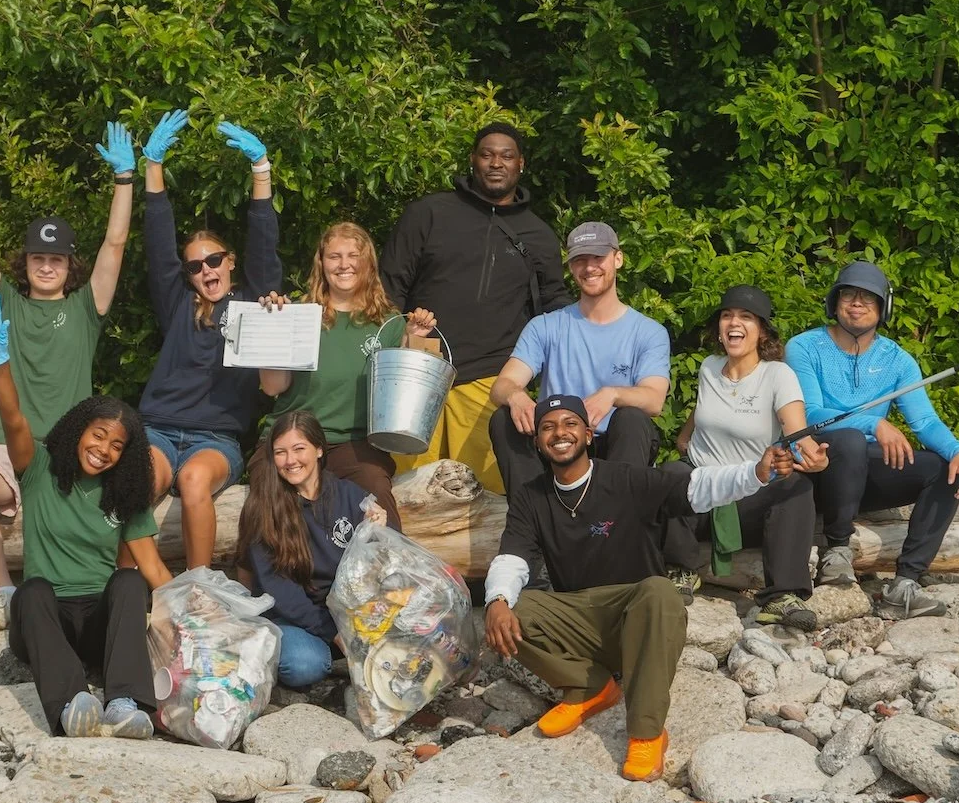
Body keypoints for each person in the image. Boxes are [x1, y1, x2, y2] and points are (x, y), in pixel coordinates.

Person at [482, 395, 791, 782]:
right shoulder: (532, 494)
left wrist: (755, 473)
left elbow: (698, 487)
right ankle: (590, 687)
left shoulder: (625, 478)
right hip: (581, 619)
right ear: (538, 441)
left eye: (569, 424)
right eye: (548, 427)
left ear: (589, 435)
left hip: (641, 619)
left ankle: (647, 733)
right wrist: (495, 600)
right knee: (512, 610)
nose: (559, 433)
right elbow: (513, 557)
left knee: (661, 591)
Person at [0, 114, 135, 630]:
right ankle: (7, 594)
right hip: (9, 449)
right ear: (24, 261)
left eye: (55, 258)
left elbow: (114, 246)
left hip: (72, 452)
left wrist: (125, 181)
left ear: (68, 264)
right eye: (37, 257)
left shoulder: (84, 307)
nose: (45, 266)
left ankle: (102, 600)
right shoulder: (2, 302)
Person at [0, 294, 172, 738]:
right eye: (98, 435)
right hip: (45, 621)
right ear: (78, 430)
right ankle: (70, 704)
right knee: (31, 591)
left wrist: (200, 617)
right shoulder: (39, 468)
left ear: (126, 455)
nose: (103, 450)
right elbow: (13, 418)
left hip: (97, 625)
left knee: (128, 581)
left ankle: (125, 705)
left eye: (116, 445)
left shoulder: (126, 495)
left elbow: (155, 569)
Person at [379, 122, 568, 492]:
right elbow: (389, 287)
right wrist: (388, 352)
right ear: (473, 161)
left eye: (506, 155)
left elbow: (555, 308)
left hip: (491, 378)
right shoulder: (429, 213)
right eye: (487, 154)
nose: (496, 162)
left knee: (489, 496)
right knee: (405, 491)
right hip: (419, 372)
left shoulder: (539, 235)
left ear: (521, 165)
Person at [787, 261, 959, 620]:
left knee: (942, 469)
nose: (857, 303)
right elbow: (809, 414)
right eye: (849, 294)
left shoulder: (898, 361)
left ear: (883, 307)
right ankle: (838, 551)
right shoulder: (805, 347)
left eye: (868, 297)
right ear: (834, 301)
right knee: (850, 439)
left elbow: (924, 420)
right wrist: (874, 424)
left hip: (862, 474)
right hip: (815, 468)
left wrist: (958, 451)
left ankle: (905, 582)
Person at [138, 114, 281, 572]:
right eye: (196, 267)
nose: (206, 271)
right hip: (158, 428)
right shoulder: (178, 304)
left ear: (230, 262)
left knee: (196, 481)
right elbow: (158, 242)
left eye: (214, 260)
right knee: (139, 483)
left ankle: (198, 584)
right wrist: (152, 165)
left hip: (215, 438)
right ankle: (126, 582)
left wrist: (261, 170)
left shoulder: (254, 304)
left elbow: (264, 242)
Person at [257, 222, 435, 527]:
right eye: (334, 256)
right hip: (292, 438)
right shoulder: (298, 314)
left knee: (376, 490)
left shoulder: (390, 323)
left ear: (368, 263)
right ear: (321, 263)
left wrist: (415, 339)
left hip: (352, 444)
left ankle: (392, 570)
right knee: (272, 498)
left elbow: (412, 400)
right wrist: (274, 327)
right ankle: (266, 574)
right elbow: (273, 387)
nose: (344, 264)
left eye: (353, 255)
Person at [674, 285, 831, 629]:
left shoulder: (778, 375)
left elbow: (798, 433)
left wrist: (817, 460)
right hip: (702, 495)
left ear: (762, 332)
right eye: (728, 315)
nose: (734, 322)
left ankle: (781, 596)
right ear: (719, 327)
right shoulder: (709, 367)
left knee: (797, 488)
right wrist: (684, 441)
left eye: (746, 317)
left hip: (748, 497)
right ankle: (681, 572)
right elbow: (701, 415)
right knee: (670, 476)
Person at [487, 221, 671, 498]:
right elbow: (503, 384)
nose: (589, 267)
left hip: (613, 446)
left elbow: (654, 400)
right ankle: (532, 513)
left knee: (633, 418)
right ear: (571, 267)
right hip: (558, 444)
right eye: (580, 260)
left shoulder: (648, 332)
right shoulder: (545, 326)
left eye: (598, 257)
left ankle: (619, 518)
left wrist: (612, 394)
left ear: (617, 258)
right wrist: (516, 396)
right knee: (503, 417)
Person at [238, 410, 391, 688]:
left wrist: (379, 531)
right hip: (293, 615)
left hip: (347, 612)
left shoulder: (350, 495)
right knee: (304, 666)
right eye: (280, 452)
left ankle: (346, 655)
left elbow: (380, 567)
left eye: (299, 449)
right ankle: (317, 652)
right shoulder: (263, 507)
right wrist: (333, 632)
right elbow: (278, 590)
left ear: (319, 449)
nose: (290, 460)